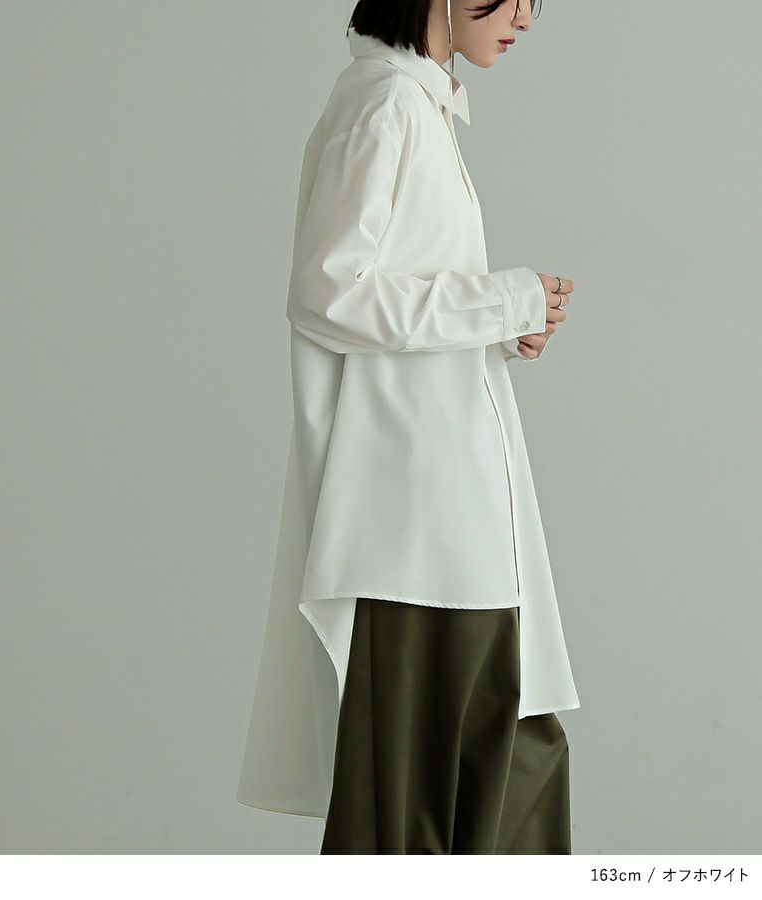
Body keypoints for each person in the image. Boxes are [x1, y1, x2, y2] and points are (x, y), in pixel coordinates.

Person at [236, 0, 580, 854]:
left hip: (456, 520)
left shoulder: (417, 104)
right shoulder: (384, 101)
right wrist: (500, 300)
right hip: (412, 531)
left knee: (503, 782)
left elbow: (400, 302)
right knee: (426, 811)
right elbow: (328, 289)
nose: (526, 16)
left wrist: (502, 325)